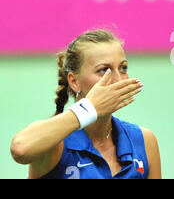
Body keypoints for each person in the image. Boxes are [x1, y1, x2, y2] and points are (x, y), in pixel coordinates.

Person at [10, 29, 161, 179]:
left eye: (123, 68)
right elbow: (20, 148)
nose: (119, 80)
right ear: (74, 81)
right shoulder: (55, 143)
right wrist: (89, 109)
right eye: (104, 70)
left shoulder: (143, 140)